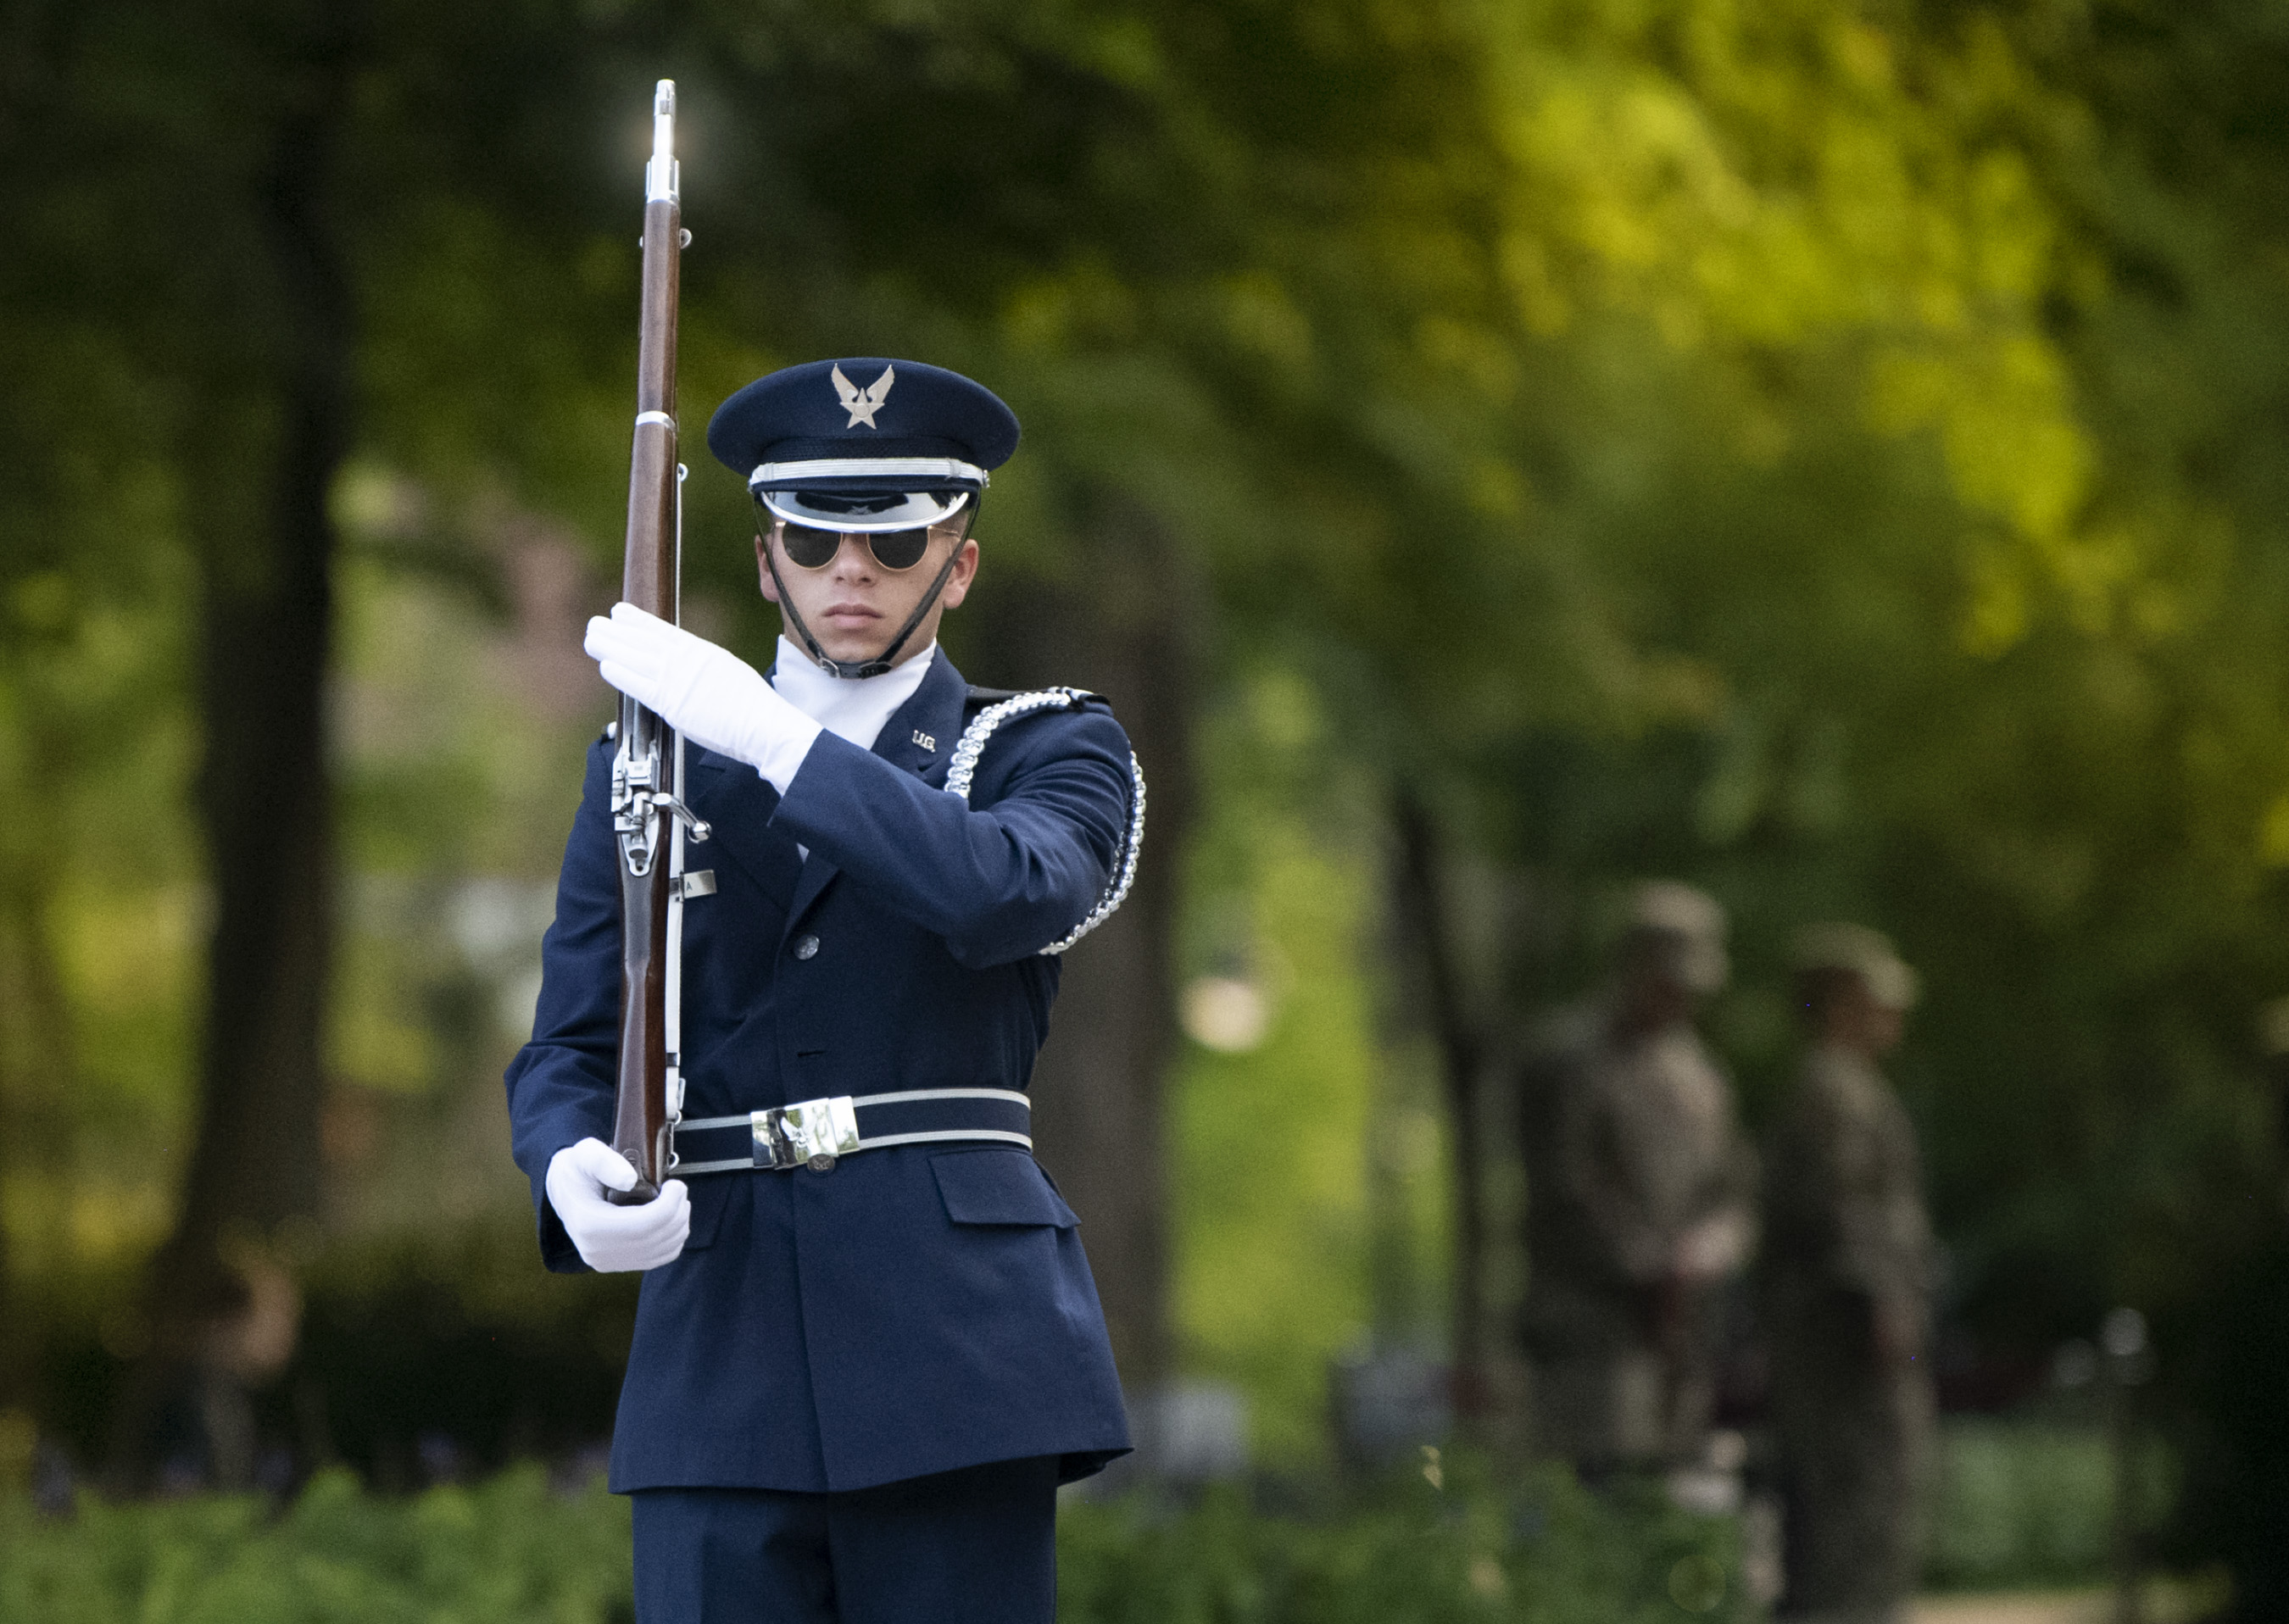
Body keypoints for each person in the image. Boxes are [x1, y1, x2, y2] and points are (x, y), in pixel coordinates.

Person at [505, 358, 1141, 1623]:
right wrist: (568, 1167)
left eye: (896, 541)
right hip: (719, 1338)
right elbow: (574, 1040)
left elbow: (1005, 890)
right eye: (814, 537)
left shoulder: (1044, 746)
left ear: (957, 566)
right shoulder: (649, 765)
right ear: (764, 562)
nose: (851, 571)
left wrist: (771, 737)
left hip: (954, 1350)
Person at [1517, 881, 1755, 1475]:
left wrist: (1710, 1253)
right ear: (1632, 968)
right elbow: (1565, 1188)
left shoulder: (1700, 1077)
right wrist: (1651, 1268)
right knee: (1599, 1490)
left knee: (1675, 1499)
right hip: (1592, 1330)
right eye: (1669, 982)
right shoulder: (1569, 1061)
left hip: (1686, 1334)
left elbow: (1734, 1192)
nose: (1682, 1000)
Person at [1762, 923, 1935, 1624]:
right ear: (1838, 1006)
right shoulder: (1834, 1093)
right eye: (1875, 1000)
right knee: (1855, 1519)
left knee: (1861, 1518)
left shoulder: (1848, 1089)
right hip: (1847, 1353)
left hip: (1848, 1347)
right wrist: (1880, 1305)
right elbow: (1844, 1214)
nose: (1893, 1016)